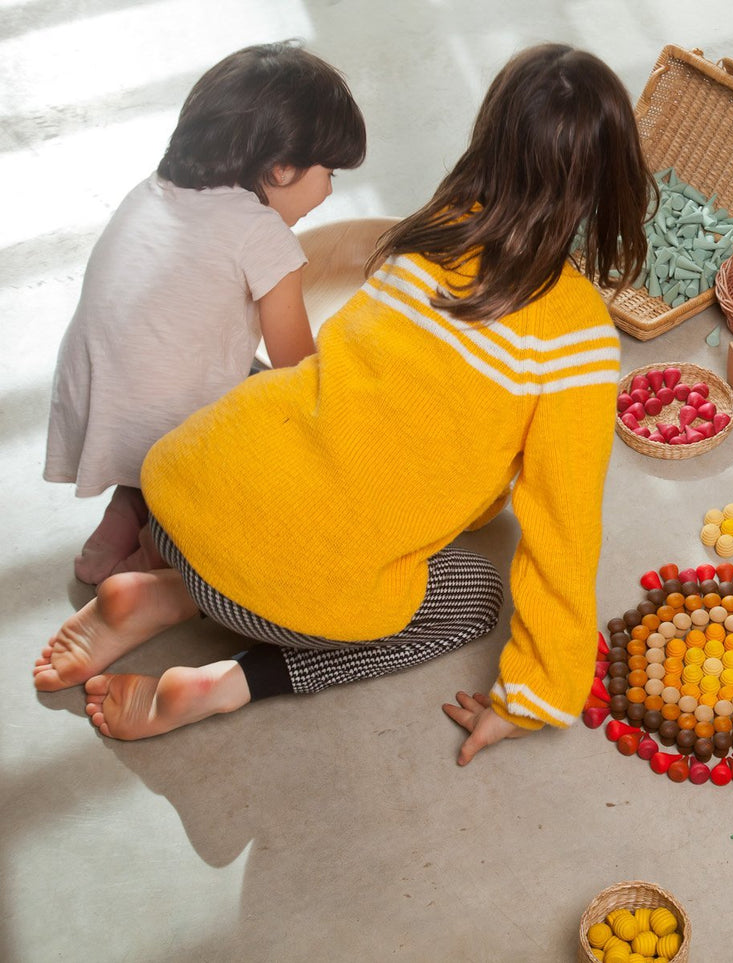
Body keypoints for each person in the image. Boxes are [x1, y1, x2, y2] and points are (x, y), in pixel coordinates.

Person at [32, 44, 656, 766]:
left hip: (178, 495)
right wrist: (534, 695)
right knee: (474, 596)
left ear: (489, 137)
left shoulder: (428, 234)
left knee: (289, 449)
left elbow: (346, 366)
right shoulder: (577, 334)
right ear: (611, 178)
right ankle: (229, 682)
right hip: (269, 597)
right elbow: (561, 528)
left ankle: (166, 594)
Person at [44, 41, 367, 584]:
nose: (330, 190)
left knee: (184, 374)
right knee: (277, 420)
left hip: (99, 400)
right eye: (330, 171)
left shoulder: (152, 190)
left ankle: (121, 519)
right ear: (283, 168)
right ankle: (157, 552)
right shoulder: (261, 234)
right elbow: (295, 368)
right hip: (169, 431)